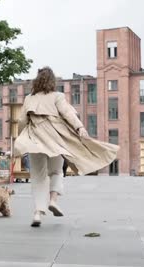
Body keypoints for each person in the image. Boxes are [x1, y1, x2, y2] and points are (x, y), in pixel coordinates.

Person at [14, 67, 120, 227]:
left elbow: (22, 120)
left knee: (38, 176)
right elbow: (68, 114)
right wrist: (80, 128)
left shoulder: (29, 98)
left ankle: (37, 212)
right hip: (54, 138)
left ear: (37, 80)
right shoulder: (58, 96)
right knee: (56, 171)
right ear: (52, 81)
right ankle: (53, 200)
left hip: (35, 139)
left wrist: (23, 138)